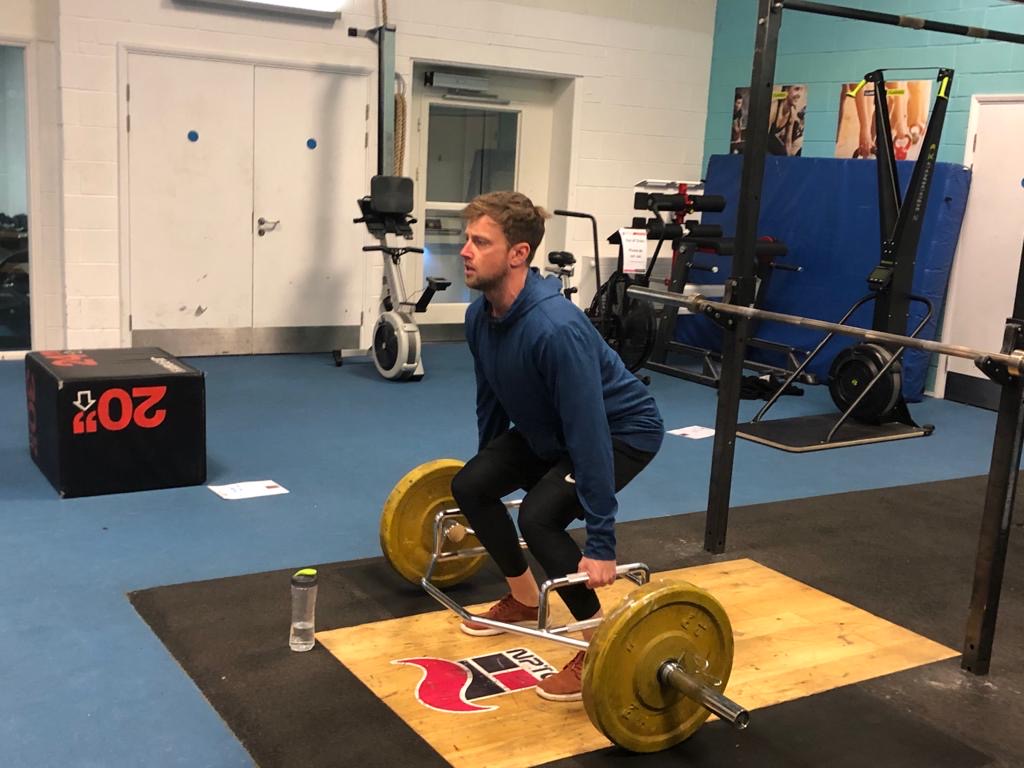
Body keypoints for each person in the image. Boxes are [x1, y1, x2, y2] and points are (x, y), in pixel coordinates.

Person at [450, 191, 664, 702]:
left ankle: (598, 645)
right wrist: (491, 466)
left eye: (480, 242)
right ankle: (524, 599)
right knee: (471, 484)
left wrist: (601, 543)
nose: (465, 250)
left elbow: (590, 431)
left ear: (518, 253)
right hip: (552, 429)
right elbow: (492, 399)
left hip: (620, 431)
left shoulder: (555, 328)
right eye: (467, 239)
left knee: (540, 519)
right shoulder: (480, 317)